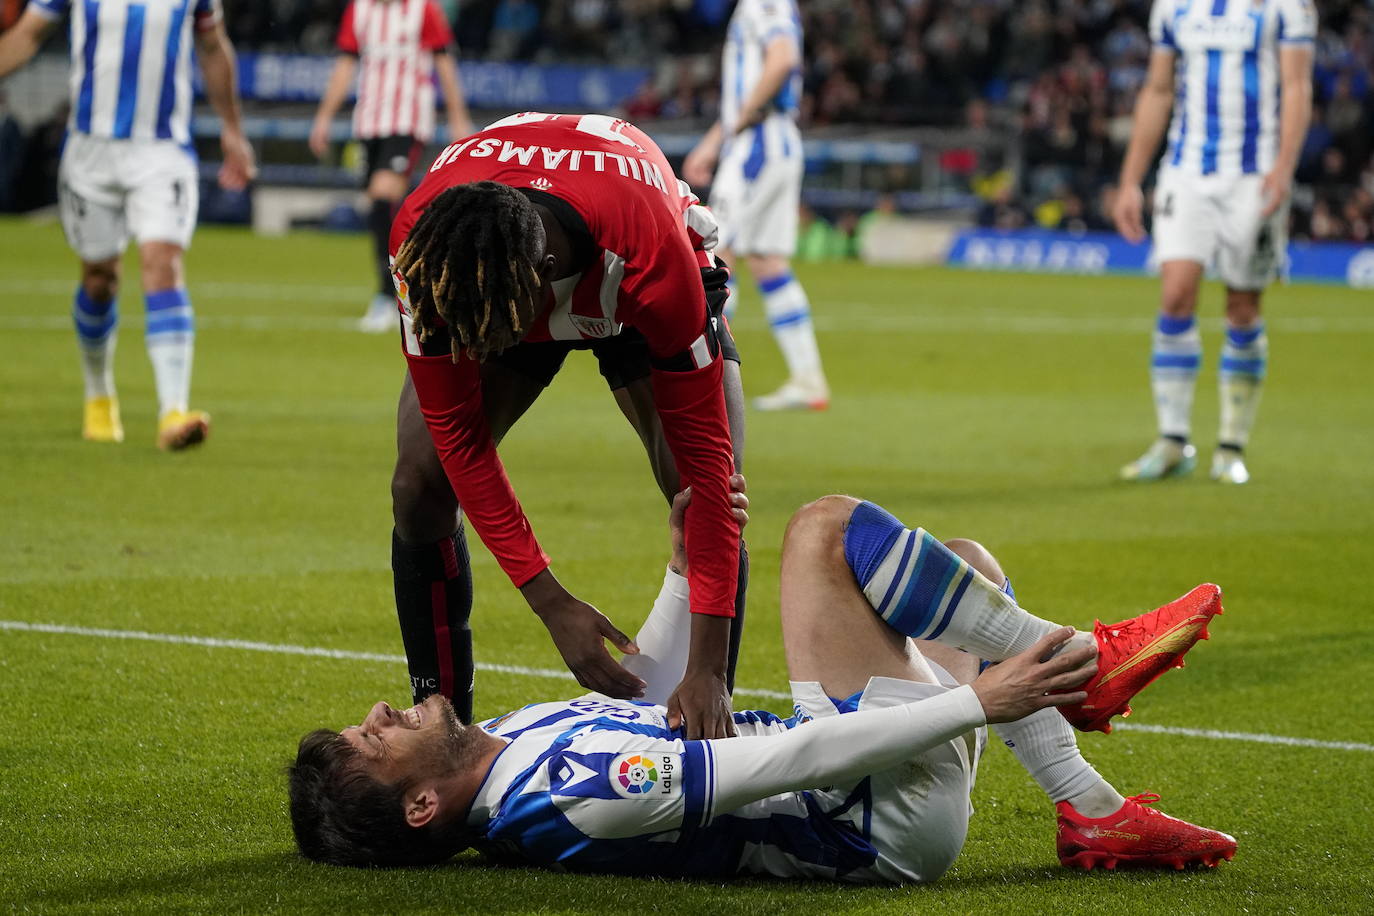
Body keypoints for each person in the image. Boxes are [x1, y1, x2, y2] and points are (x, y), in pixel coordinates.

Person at [288, 482, 1237, 878]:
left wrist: (677, 564)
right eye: (375, 740)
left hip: (868, 780)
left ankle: (1089, 808)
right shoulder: (568, 800)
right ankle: (1083, 661)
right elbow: (780, 763)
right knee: (825, 529)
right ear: (420, 807)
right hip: (865, 812)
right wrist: (977, 703)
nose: (379, 711)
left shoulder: (507, 741)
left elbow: (655, 689)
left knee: (963, 567)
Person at [384, 112, 748, 742]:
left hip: (629, 283)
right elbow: (459, 439)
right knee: (418, 485)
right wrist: (550, 602)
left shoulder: (653, 259)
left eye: (483, 329)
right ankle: (442, 731)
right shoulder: (428, 249)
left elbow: (713, 483)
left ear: (546, 275)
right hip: (505, 277)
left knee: (699, 498)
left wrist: (708, 669)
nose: (469, 346)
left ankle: (704, 726)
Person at [0, 0, 255, 449]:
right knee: (99, 280)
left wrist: (232, 128)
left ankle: (173, 411)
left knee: (162, 262)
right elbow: (28, 35)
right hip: (90, 153)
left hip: (161, 152)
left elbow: (213, 47)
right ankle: (99, 395)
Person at [1112, 0, 1316, 484]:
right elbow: (1159, 90)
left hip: (1254, 174)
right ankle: (1172, 441)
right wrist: (1130, 180)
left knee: (1242, 306)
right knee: (1175, 294)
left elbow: (1296, 85)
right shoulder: (1173, 7)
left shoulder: (1286, 7)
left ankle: (1230, 447)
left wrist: (1284, 167)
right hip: (1185, 172)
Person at [683, 0, 829, 411]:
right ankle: (808, 378)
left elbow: (782, 58)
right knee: (766, 260)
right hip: (772, 140)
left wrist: (745, 117)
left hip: (759, 145)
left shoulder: (764, 3)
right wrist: (714, 144)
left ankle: (706, 382)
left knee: (713, 256)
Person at [309, 0, 472, 332]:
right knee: (381, 208)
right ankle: (417, 281)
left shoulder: (421, 9)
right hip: (368, 122)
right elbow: (345, 64)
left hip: (407, 119)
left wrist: (458, 118)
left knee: (383, 197)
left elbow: (444, 62)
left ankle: (388, 295)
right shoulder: (360, 10)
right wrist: (324, 117)